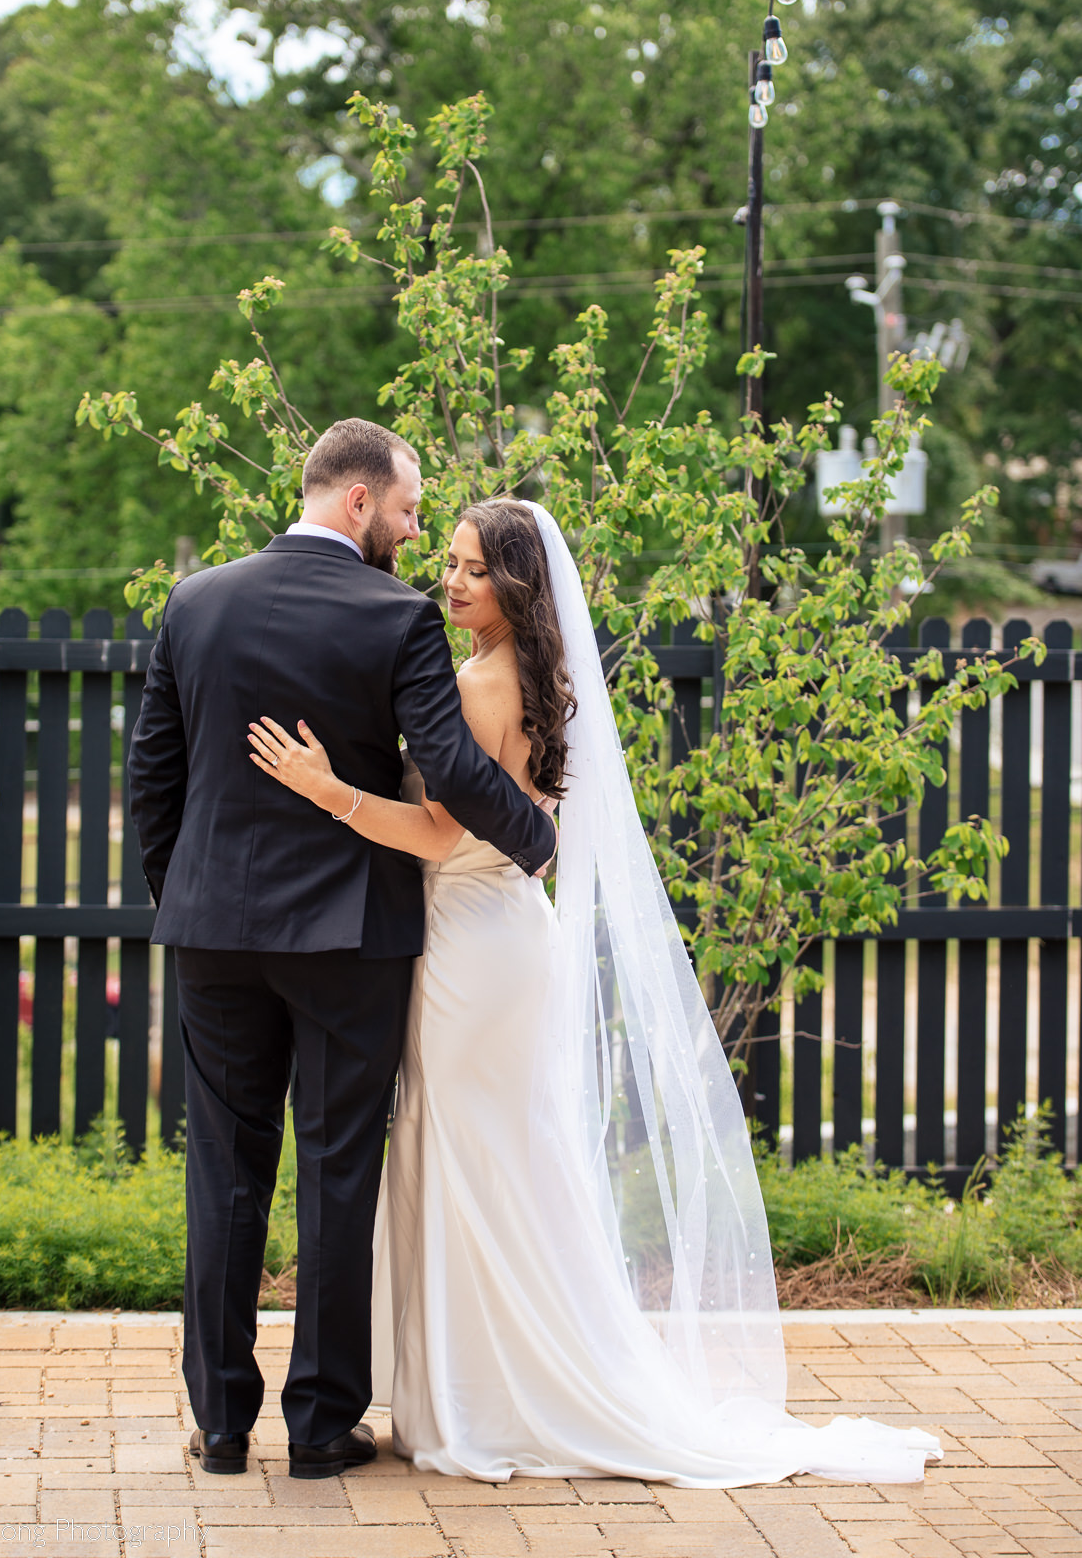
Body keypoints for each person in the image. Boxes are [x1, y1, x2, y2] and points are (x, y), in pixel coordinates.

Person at [248, 497, 944, 1488]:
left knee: (474, 1161)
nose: (451, 582)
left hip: (470, 945)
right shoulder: (526, 676)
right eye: (447, 563)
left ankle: (492, 1399)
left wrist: (329, 792)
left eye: (473, 570)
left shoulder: (487, 683)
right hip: (494, 934)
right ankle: (473, 1388)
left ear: (517, 585)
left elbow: (446, 835)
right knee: (490, 1158)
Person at [127, 422, 556, 1485]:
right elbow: (451, 762)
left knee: (225, 1172)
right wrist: (536, 835)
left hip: (216, 932)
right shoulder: (395, 614)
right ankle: (322, 1425)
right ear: (359, 502)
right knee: (337, 1169)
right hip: (350, 936)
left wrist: (188, 898)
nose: (414, 537)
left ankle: (221, 1425)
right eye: (410, 513)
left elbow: (153, 778)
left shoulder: (195, 601)